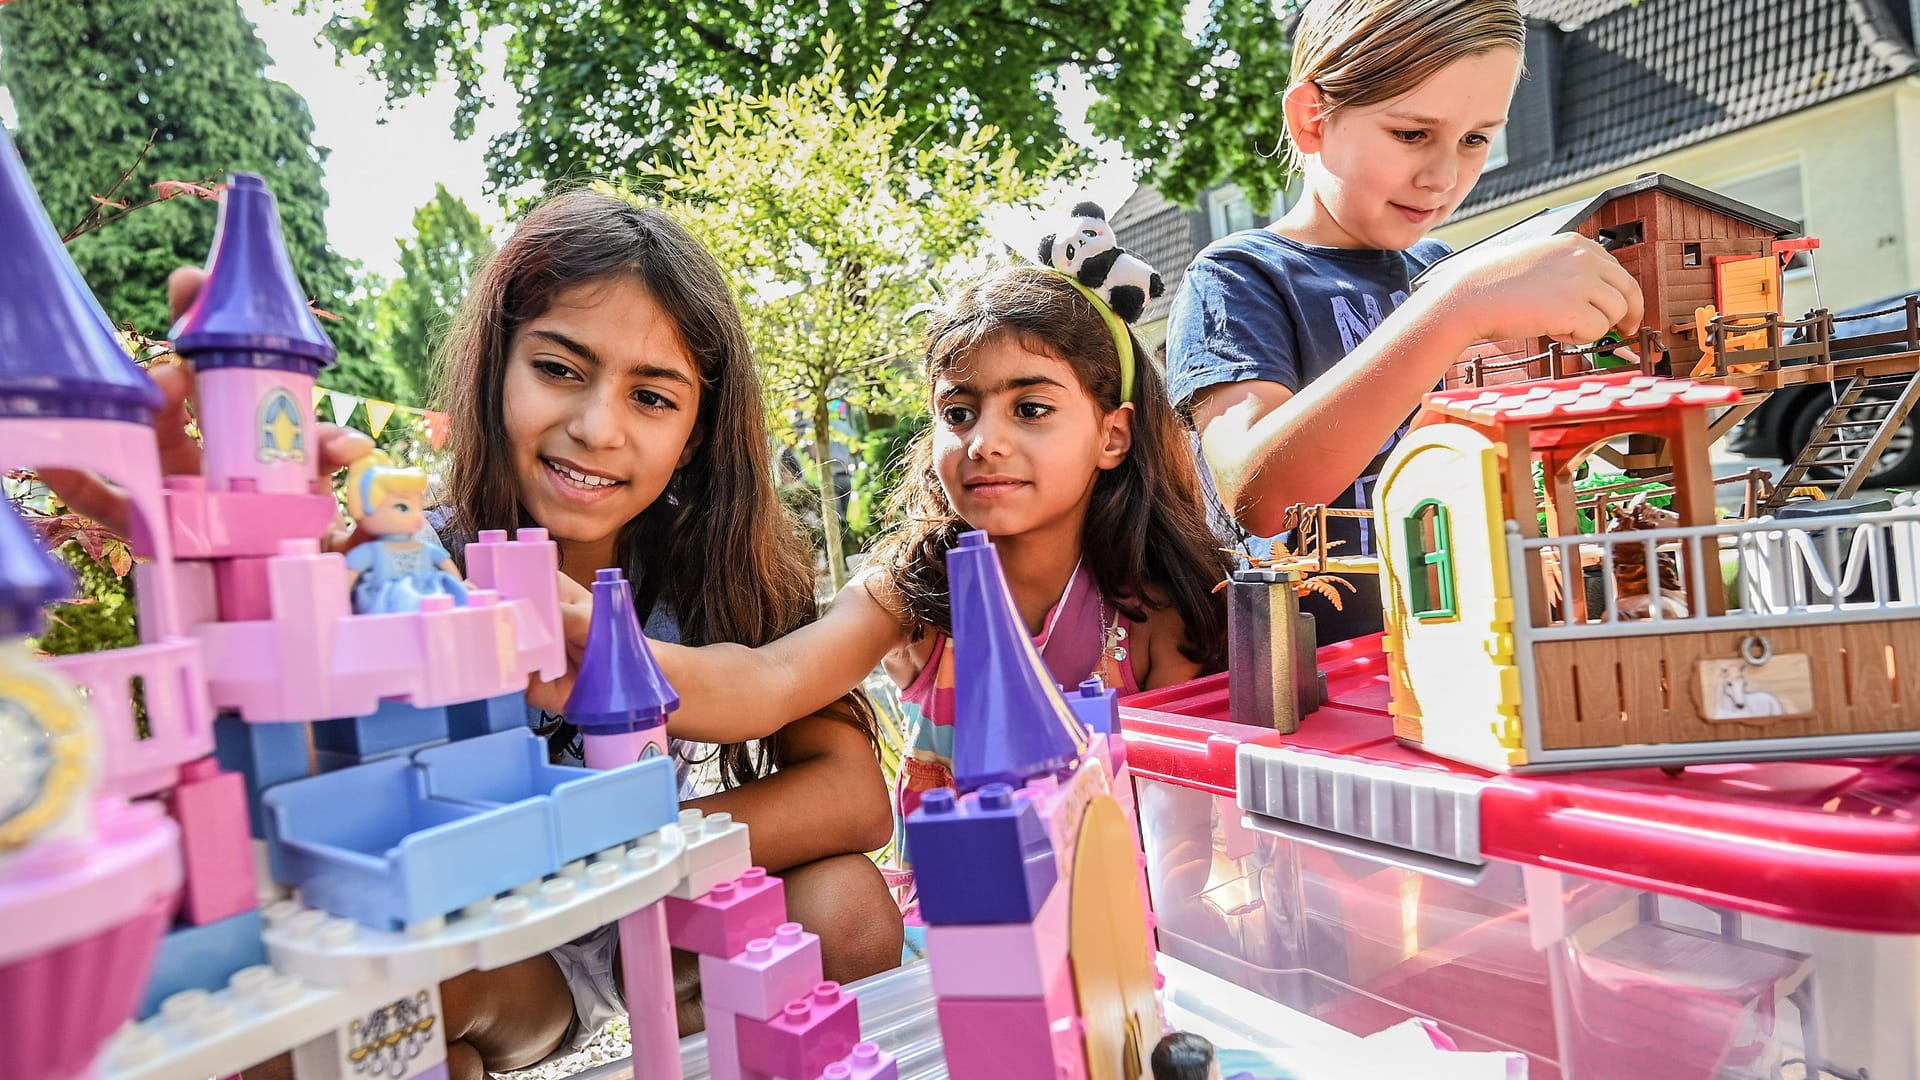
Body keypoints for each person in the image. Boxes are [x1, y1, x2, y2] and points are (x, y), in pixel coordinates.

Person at [64, 191, 901, 1079]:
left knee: (844, 903)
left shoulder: (729, 568)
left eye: (653, 397)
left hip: (661, 913)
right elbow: (296, 793)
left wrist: (609, 842)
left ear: (695, 434)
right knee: (364, 1026)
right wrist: (235, 558)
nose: (596, 427)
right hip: (498, 957)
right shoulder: (407, 562)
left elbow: (853, 797)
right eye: (560, 370)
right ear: (498, 366)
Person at [645, 264, 1231, 907]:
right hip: (951, 949)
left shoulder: (1156, 618)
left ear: (1112, 436)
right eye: (958, 412)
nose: (984, 442)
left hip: (1121, 947)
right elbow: (767, 682)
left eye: (1030, 409)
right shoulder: (911, 593)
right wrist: (595, 637)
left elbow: (1180, 854)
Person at [1166, 0, 1644, 642]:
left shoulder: (1447, 271)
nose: (1444, 176)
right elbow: (1260, 492)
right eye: (1412, 133)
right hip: (1315, 676)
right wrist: (1457, 308)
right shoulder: (1237, 276)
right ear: (1312, 119)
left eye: (1476, 139)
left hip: (1470, 647)